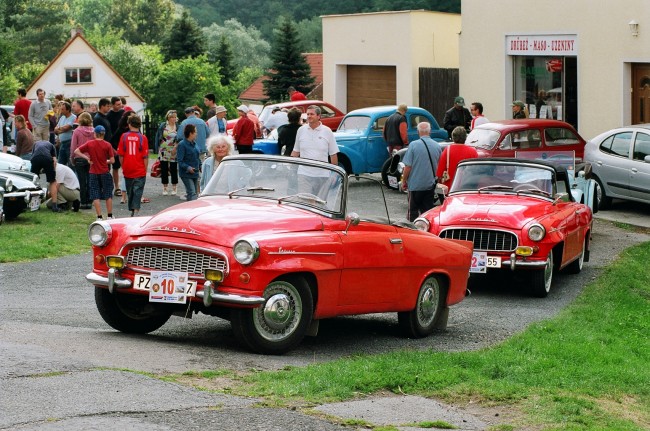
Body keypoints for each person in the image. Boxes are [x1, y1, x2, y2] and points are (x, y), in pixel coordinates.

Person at [291, 105, 339, 195]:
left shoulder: (327, 131)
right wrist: (290, 167)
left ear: (318, 116)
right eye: (308, 114)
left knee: (318, 203)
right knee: (306, 201)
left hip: (322, 175)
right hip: (304, 174)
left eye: (312, 114)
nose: (309, 116)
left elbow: (333, 154)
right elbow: (296, 151)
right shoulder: (301, 130)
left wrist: (334, 174)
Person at [401, 122, 442, 222]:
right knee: (427, 212)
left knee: (413, 212)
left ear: (418, 132)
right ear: (430, 131)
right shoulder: (437, 146)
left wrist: (404, 181)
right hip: (430, 184)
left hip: (415, 185)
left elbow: (408, 166)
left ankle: (413, 231)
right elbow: (439, 166)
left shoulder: (413, 145)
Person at [74, 125, 115, 220]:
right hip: (105, 171)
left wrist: (87, 158)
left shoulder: (90, 144)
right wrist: (105, 161)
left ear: (95, 134)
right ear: (104, 134)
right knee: (108, 194)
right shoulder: (107, 145)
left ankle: (99, 216)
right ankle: (109, 216)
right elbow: (112, 160)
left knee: (95, 194)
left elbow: (77, 151)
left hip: (93, 172)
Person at [117, 115, 149, 216]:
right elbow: (145, 156)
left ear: (129, 124)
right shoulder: (142, 138)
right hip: (139, 169)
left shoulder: (124, 136)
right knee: (138, 191)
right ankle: (135, 210)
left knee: (130, 191)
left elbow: (121, 155)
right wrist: (145, 169)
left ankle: (132, 209)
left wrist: (123, 166)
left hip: (128, 168)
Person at [436, 126, 479, 193]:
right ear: (465, 137)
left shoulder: (447, 150)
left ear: (453, 137)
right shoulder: (473, 151)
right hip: (467, 186)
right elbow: (476, 172)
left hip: (450, 186)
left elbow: (440, 172)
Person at [70, 112, 95, 209]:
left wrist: (72, 159)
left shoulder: (76, 131)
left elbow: (73, 147)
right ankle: (89, 201)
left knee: (81, 181)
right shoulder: (94, 131)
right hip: (90, 158)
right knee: (90, 180)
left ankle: (83, 201)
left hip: (79, 157)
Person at [30, 139, 63, 212]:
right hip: (47, 158)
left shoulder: (36, 143)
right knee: (52, 182)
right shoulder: (51, 145)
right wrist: (52, 172)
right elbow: (54, 160)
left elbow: (32, 157)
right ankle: (54, 206)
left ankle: (32, 204)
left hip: (36, 158)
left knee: (33, 180)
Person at [177, 124, 201, 201]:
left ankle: (190, 208)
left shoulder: (195, 144)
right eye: (195, 132)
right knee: (192, 192)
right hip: (186, 173)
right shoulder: (182, 144)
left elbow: (197, 157)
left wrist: (200, 165)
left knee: (195, 193)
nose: (196, 134)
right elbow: (180, 160)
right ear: (191, 133)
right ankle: (192, 209)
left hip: (195, 172)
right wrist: (188, 167)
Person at [158, 109, 179, 195]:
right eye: (172, 117)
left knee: (174, 168)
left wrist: (176, 146)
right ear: (168, 117)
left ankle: (174, 187)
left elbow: (180, 137)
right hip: (164, 149)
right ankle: (165, 187)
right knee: (164, 168)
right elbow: (159, 136)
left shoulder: (178, 126)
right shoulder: (163, 125)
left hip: (174, 149)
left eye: (175, 117)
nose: (174, 119)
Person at [107, 97, 125, 194]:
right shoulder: (109, 115)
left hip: (123, 142)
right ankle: (117, 187)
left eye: (121, 104)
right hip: (114, 143)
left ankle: (125, 187)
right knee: (115, 166)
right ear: (113, 105)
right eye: (118, 104)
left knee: (126, 166)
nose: (120, 106)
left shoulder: (123, 113)